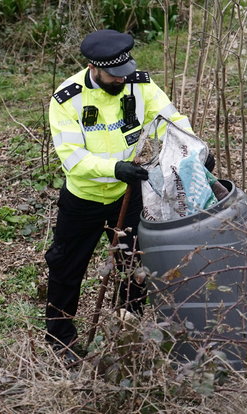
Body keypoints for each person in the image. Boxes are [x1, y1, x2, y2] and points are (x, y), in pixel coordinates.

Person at [44, 30, 211, 351]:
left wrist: (195, 149)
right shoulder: (67, 99)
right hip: (84, 200)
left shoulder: (138, 83)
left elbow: (170, 119)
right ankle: (60, 341)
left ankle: (126, 328)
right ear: (93, 68)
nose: (122, 80)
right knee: (66, 269)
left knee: (134, 265)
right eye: (113, 75)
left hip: (128, 196)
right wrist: (115, 169)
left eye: (125, 72)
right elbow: (73, 158)